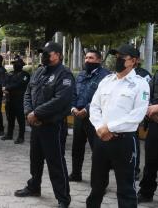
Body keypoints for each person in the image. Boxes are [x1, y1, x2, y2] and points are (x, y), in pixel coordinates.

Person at [86, 44, 150, 208]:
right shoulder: (107, 81)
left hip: (124, 142)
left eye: (122, 57)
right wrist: (100, 127)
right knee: (97, 185)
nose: (117, 60)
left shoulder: (140, 84)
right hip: (101, 140)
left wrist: (110, 127)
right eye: (116, 56)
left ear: (133, 61)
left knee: (126, 188)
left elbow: (138, 114)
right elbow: (94, 107)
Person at [15, 42, 74, 208]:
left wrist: (37, 113)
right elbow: (28, 92)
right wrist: (28, 112)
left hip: (52, 126)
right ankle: (34, 187)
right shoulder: (39, 71)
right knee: (35, 159)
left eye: (48, 53)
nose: (44, 55)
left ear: (58, 55)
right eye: (43, 53)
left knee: (55, 163)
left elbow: (61, 100)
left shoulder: (65, 74)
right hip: (36, 124)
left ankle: (63, 198)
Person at [69, 50, 110, 182]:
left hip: (95, 118)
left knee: (98, 151)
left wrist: (86, 110)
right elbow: (74, 93)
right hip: (78, 116)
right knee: (77, 148)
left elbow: (103, 98)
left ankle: (100, 181)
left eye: (91, 58)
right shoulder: (81, 75)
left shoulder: (106, 76)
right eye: (86, 58)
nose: (87, 60)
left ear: (99, 60)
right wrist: (73, 108)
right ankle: (76, 174)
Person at [137, 70, 158, 203]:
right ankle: (146, 192)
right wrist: (150, 109)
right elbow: (145, 94)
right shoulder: (156, 75)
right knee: (151, 159)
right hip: (155, 121)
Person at [1, 56, 30, 144]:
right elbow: (4, 82)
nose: (15, 65)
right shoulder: (9, 73)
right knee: (10, 117)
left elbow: (19, 84)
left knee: (20, 119)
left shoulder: (25, 75)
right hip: (10, 99)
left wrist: (7, 87)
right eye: (14, 64)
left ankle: (21, 137)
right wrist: (5, 87)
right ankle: (9, 134)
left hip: (19, 99)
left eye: (17, 64)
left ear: (21, 65)